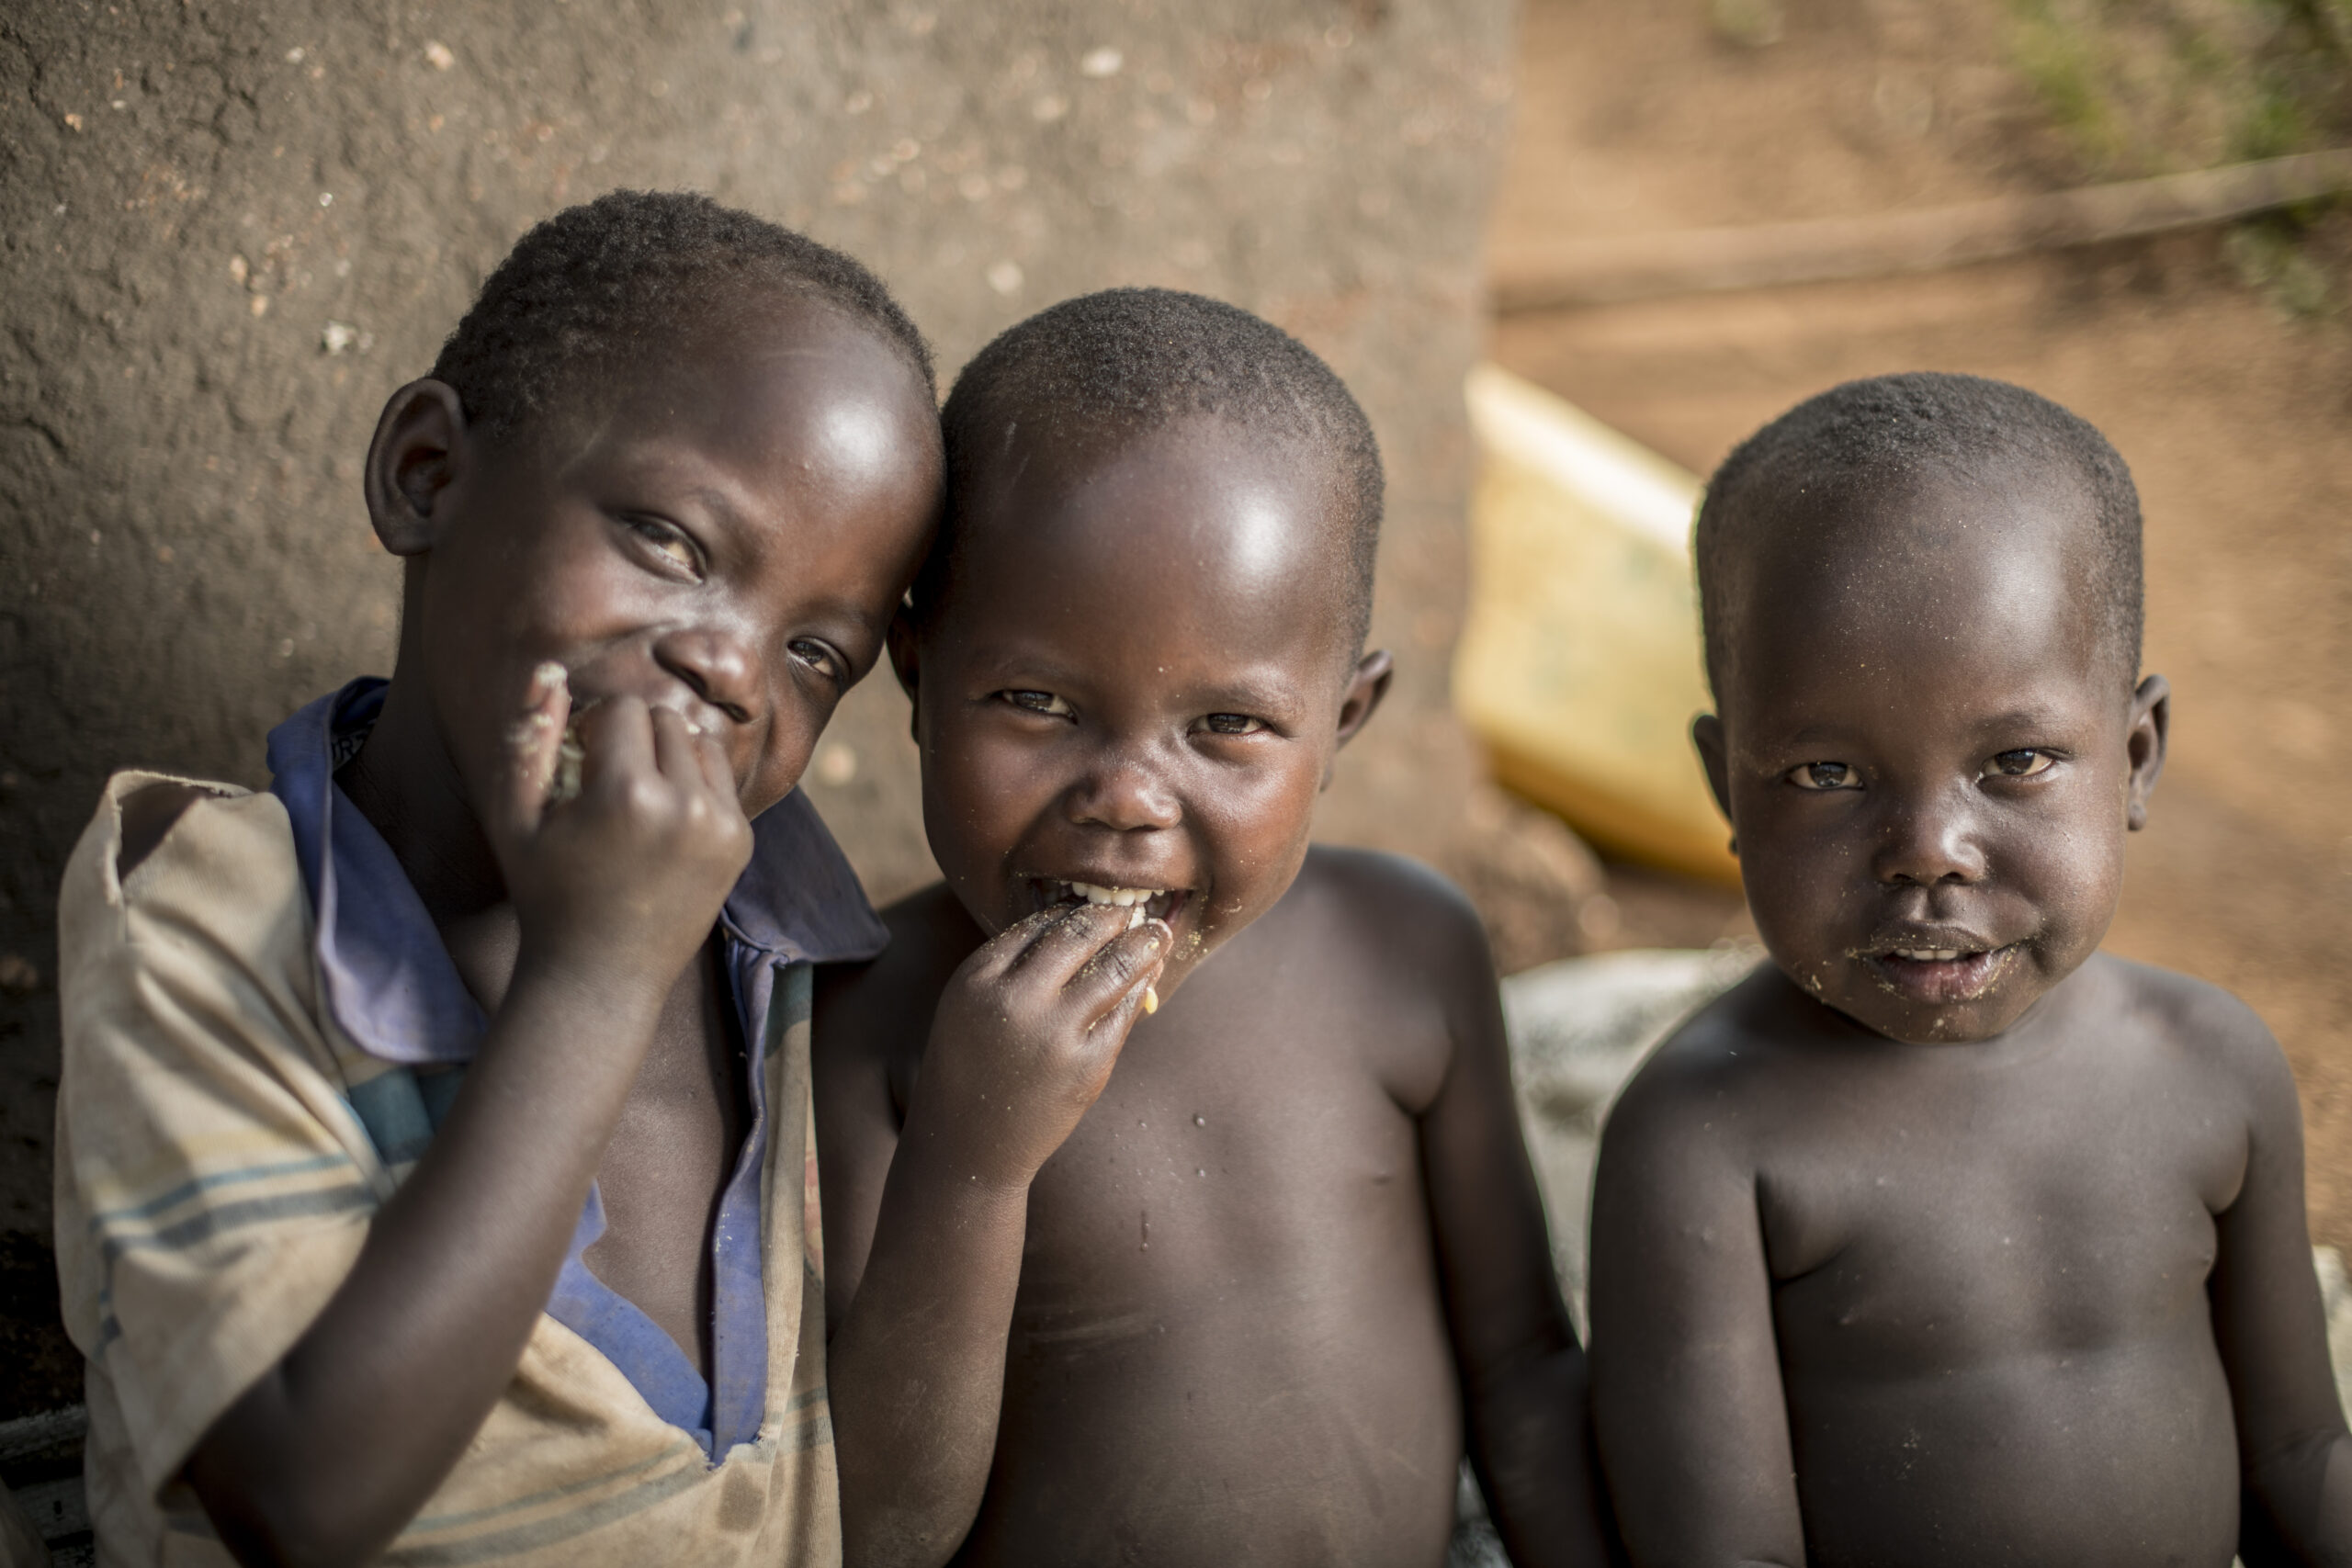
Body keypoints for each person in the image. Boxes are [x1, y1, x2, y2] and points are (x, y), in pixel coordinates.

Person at [51, 190, 1011, 1566]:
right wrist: (596, 972)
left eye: (818, 654)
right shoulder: (211, 911)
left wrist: (976, 1160)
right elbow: (301, 1500)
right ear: (427, 475)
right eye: (675, 544)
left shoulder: (782, 955)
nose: (731, 671)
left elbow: (885, 1538)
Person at [813, 288, 1611, 1568]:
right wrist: (973, 1163)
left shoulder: (1405, 954)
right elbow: (877, 1531)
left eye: (1228, 728)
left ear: (1344, 724)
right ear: (916, 675)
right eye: (1035, 702)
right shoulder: (874, 1027)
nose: (1126, 798)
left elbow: (1520, 1372)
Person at [1587, 371, 2352, 1566]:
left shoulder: (2212, 1069)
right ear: (1722, 785)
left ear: (2137, 757)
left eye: (2017, 761)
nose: (1928, 852)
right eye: (1826, 775)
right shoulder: (1707, 1141)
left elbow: (2303, 1457)